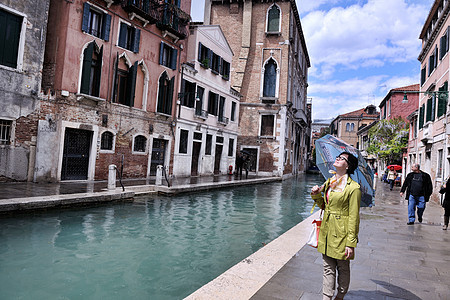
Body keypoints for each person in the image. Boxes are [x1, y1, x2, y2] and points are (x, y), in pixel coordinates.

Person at [311, 152, 361, 300]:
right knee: (327, 268)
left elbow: (354, 217)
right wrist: (315, 194)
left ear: (348, 165)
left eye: (342, 158)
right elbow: (324, 206)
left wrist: (350, 243)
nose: (338, 159)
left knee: (343, 268)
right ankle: (326, 297)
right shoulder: (329, 182)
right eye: (338, 157)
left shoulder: (354, 188)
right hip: (326, 231)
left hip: (342, 233)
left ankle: (340, 295)